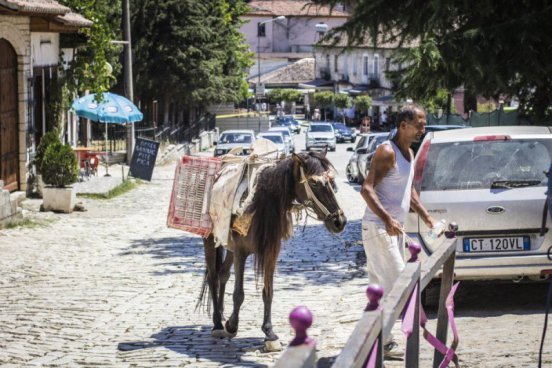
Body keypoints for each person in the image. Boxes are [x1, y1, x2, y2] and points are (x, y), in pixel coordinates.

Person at [360, 104, 436, 359]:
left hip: (391, 230)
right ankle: (379, 341)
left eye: (424, 125)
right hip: (379, 229)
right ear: (403, 125)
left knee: (380, 289)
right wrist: (387, 219)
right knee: (400, 287)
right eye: (419, 125)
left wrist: (426, 218)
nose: (422, 130)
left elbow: (408, 192)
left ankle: (375, 339)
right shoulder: (387, 151)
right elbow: (366, 189)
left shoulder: (409, 153)